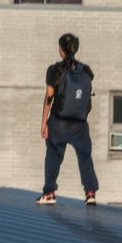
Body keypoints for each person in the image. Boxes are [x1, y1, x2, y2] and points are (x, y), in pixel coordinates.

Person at [36, 33, 100, 206]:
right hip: (80, 123)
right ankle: (90, 193)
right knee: (85, 156)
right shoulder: (86, 71)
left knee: (53, 155)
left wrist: (44, 122)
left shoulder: (54, 70)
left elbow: (49, 97)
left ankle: (49, 193)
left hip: (58, 122)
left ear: (61, 50)